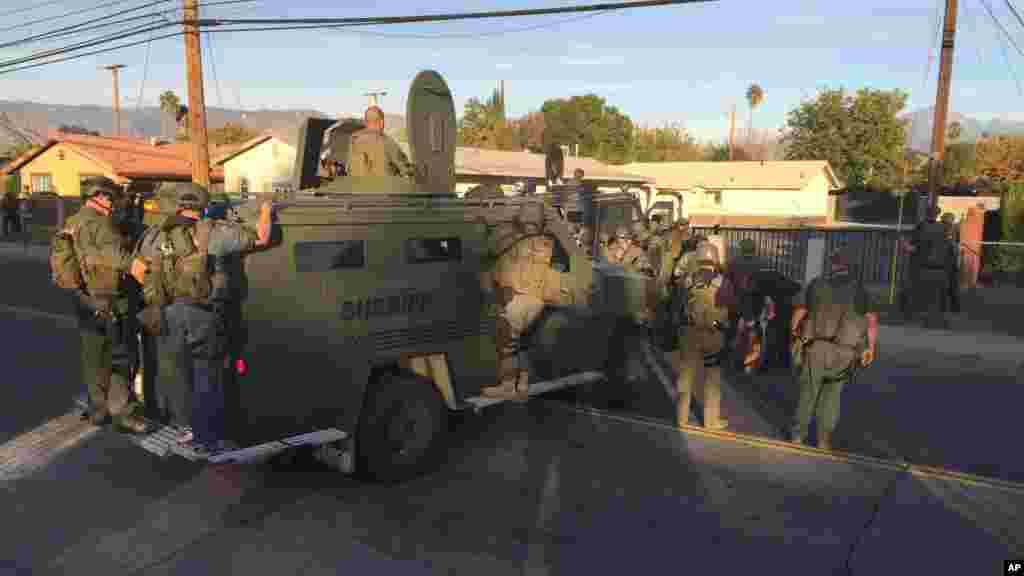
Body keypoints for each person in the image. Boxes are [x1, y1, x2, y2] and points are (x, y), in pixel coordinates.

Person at [139, 182, 272, 453]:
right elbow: (262, 238)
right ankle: (207, 436)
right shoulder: (215, 231)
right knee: (208, 373)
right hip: (203, 314)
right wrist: (267, 209)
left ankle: (185, 427)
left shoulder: (156, 233)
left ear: (178, 205)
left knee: (178, 373)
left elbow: (138, 268)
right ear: (203, 206)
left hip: (167, 312)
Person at [59, 177, 151, 432]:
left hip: (84, 299)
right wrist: (144, 272)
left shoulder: (73, 221)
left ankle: (98, 410)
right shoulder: (102, 224)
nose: (113, 204)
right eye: (111, 198)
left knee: (94, 356)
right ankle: (124, 414)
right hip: (111, 299)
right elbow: (119, 259)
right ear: (100, 197)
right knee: (121, 356)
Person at [788, 248, 878, 450]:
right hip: (845, 352)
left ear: (833, 264)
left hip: (816, 347)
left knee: (808, 393)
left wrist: (793, 336)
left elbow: (799, 312)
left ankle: (798, 436)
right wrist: (870, 348)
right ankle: (824, 440)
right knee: (832, 398)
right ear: (851, 266)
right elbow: (871, 322)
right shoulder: (860, 290)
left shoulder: (816, 284)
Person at [672, 241, 735, 430]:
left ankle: (681, 418)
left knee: (685, 376)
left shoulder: (687, 281)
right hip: (713, 336)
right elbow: (731, 310)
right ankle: (710, 420)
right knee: (712, 379)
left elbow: (678, 307)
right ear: (716, 259)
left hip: (689, 334)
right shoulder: (724, 283)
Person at [906, 205, 951, 329]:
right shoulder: (943, 228)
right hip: (940, 267)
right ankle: (937, 319)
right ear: (937, 214)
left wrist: (904, 245)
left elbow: (912, 247)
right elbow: (948, 247)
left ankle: (922, 318)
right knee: (936, 296)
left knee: (921, 294)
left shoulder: (921, 227)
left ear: (926, 213)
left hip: (923, 266)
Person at [347, 106, 415, 179]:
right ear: (381, 121)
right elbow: (406, 168)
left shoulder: (354, 139)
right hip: (383, 185)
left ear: (365, 122)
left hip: (357, 185)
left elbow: (349, 168)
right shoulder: (386, 141)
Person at [941, 212, 961, 315]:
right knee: (944, 286)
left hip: (951, 261)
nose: (949, 224)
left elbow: (957, 244)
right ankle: (944, 307)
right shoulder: (940, 229)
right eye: (946, 221)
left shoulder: (955, 229)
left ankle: (954, 307)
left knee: (953, 286)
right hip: (944, 262)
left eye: (950, 221)